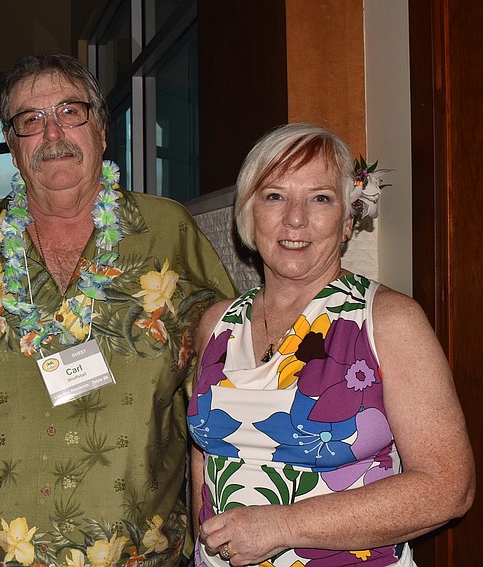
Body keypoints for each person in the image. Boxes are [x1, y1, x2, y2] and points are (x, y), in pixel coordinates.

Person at [0, 53, 235, 567]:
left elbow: (231, 373)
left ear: (103, 131)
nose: (53, 133)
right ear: (12, 146)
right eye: (30, 119)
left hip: (135, 553)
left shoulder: (167, 231)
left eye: (70, 111)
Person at [188, 123, 475, 566]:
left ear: (346, 222)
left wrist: (283, 526)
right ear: (248, 214)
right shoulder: (216, 324)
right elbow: (204, 460)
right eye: (274, 196)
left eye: (320, 198)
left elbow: (448, 488)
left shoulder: (388, 321)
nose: (295, 218)